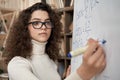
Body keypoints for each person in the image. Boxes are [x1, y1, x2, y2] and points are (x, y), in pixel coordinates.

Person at [3, 2, 106, 80]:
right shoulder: (16, 64)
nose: (43, 27)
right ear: (25, 28)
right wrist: (83, 73)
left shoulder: (51, 60)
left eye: (47, 22)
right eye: (36, 23)